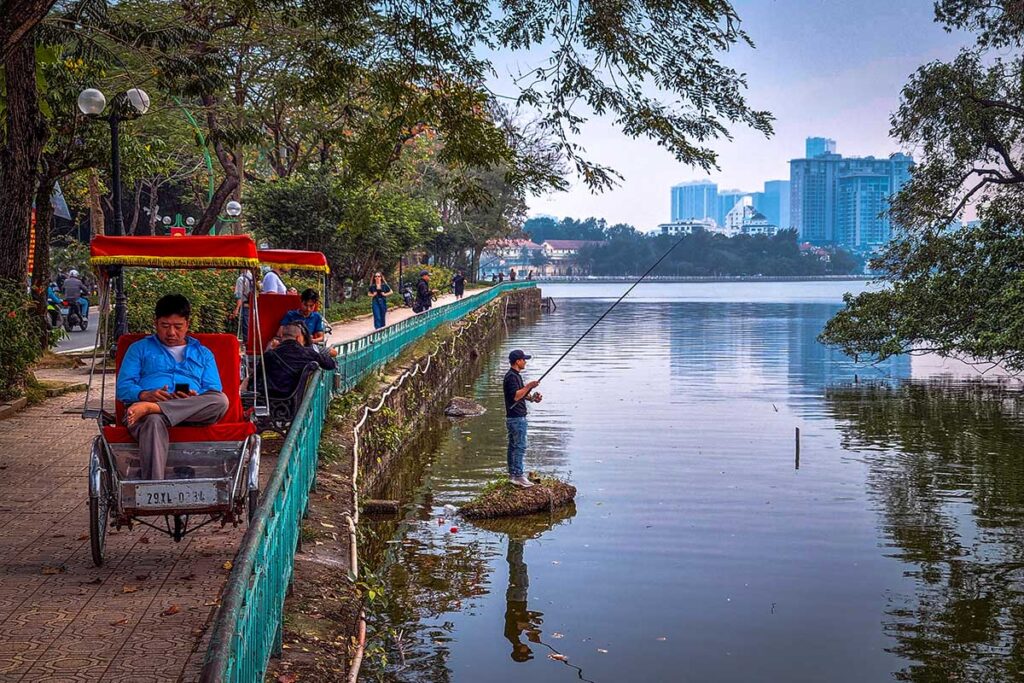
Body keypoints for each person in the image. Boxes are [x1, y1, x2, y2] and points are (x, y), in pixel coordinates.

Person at [116, 294, 229, 480]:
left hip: (193, 413)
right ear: (155, 323)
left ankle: (156, 409)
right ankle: (154, 489)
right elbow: (123, 388)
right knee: (153, 421)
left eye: (178, 327)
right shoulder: (139, 349)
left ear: (187, 324)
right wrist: (144, 395)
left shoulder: (203, 353)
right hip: (146, 416)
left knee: (221, 400)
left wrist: (194, 396)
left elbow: (213, 389)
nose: (171, 333)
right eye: (165, 326)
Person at [256, 323, 337, 397]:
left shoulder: (269, 354)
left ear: (282, 336)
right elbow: (330, 364)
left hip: (270, 399)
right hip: (294, 401)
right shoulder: (309, 353)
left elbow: (256, 376)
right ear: (298, 338)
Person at [503, 349, 542, 488]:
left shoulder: (515, 376)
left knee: (513, 446)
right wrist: (530, 385)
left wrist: (532, 398)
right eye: (523, 359)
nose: (525, 362)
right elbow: (516, 396)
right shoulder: (511, 377)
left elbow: (522, 395)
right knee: (519, 446)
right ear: (517, 361)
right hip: (516, 418)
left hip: (515, 417)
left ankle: (513, 474)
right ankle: (518, 475)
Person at [229, 270, 254, 341]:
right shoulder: (253, 278)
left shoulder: (241, 280)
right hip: (253, 305)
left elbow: (239, 296)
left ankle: (246, 343)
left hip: (245, 304)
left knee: (245, 325)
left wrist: (237, 309)